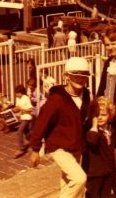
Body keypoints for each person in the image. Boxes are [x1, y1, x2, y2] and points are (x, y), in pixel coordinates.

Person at [30, 57, 91, 198]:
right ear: (66, 77)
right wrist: (35, 149)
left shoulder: (86, 95)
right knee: (79, 178)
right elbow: (41, 123)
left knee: (69, 182)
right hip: (58, 146)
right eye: (75, 76)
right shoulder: (56, 99)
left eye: (83, 77)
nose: (80, 80)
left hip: (75, 144)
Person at [82, 96, 116, 198]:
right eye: (97, 115)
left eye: (104, 115)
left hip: (107, 170)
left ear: (110, 116)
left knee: (106, 194)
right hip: (94, 172)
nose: (100, 117)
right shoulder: (90, 130)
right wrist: (94, 126)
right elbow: (92, 141)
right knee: (93, 195)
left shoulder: (110, 129)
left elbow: (114, 144)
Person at [13, 84, 33, 158]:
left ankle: (21, 148)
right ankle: (33, 143)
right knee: (27, 133)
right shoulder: (18, 98)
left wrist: (22, 109)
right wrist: (15, 109)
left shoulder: (26, 98)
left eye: (18, 93)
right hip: (22, 117)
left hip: (27, 118)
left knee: (19, 132)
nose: (17, 95)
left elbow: (30, 109)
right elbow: (17, 106)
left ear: (21, 92)